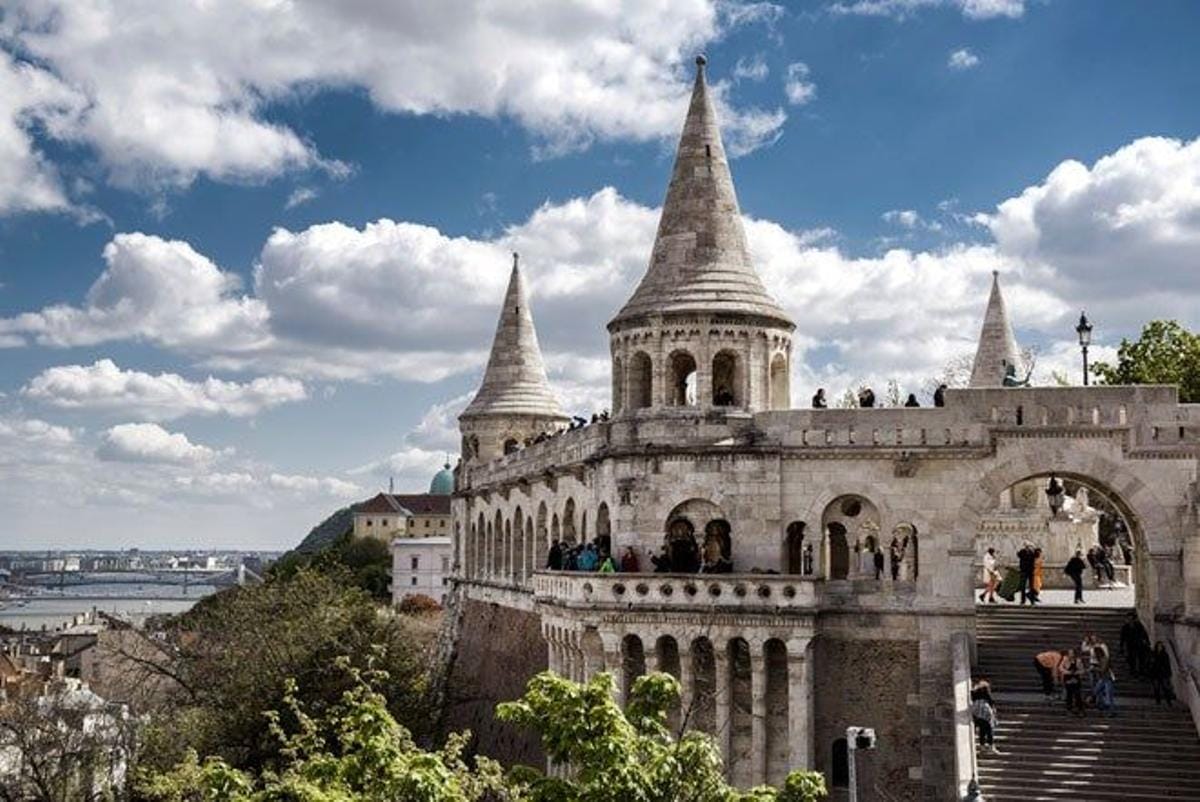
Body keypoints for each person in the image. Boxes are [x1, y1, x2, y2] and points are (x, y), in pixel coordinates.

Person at [1119, 612, 1150, 677]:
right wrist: (1121, 646)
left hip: (1139, 644)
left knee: (1141, 658)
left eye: (1131, 618)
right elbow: (1122, 637)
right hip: (1130, 645)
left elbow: (1144, 634)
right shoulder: (1125, 627)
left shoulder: (1138, 626)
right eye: (1128, 618)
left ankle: (1141, 671)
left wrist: (1147, 642)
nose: (1129, 620)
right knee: (1131, 658)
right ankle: (1133, 671)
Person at [1149, 642, 1174, 706]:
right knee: (1156, 688)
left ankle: (1168, 701)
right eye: (1158, 646)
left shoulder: (1165, 654)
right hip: (1155, 674)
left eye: (1161, 646)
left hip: (1163, 674)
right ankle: (1158, 701)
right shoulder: (1153, 654)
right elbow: (1150, 663)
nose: (1160, 647)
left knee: (1165, 688)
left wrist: (1168, 673)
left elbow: (1168, 664)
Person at [1061, 650, 1085, 715]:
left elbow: (1082, 670)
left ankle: (1080, 709)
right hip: (1068, 679)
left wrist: (1076, 673)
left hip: (1076, 679)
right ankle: (1069, 709)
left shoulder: (1078, 661)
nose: (1071, 655)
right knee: (1069, 695)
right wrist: (1067, 672)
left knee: (1077, 695)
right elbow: (1061, 668)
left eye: (1072, 653)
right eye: (1070, 653)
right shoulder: (1065, 660)